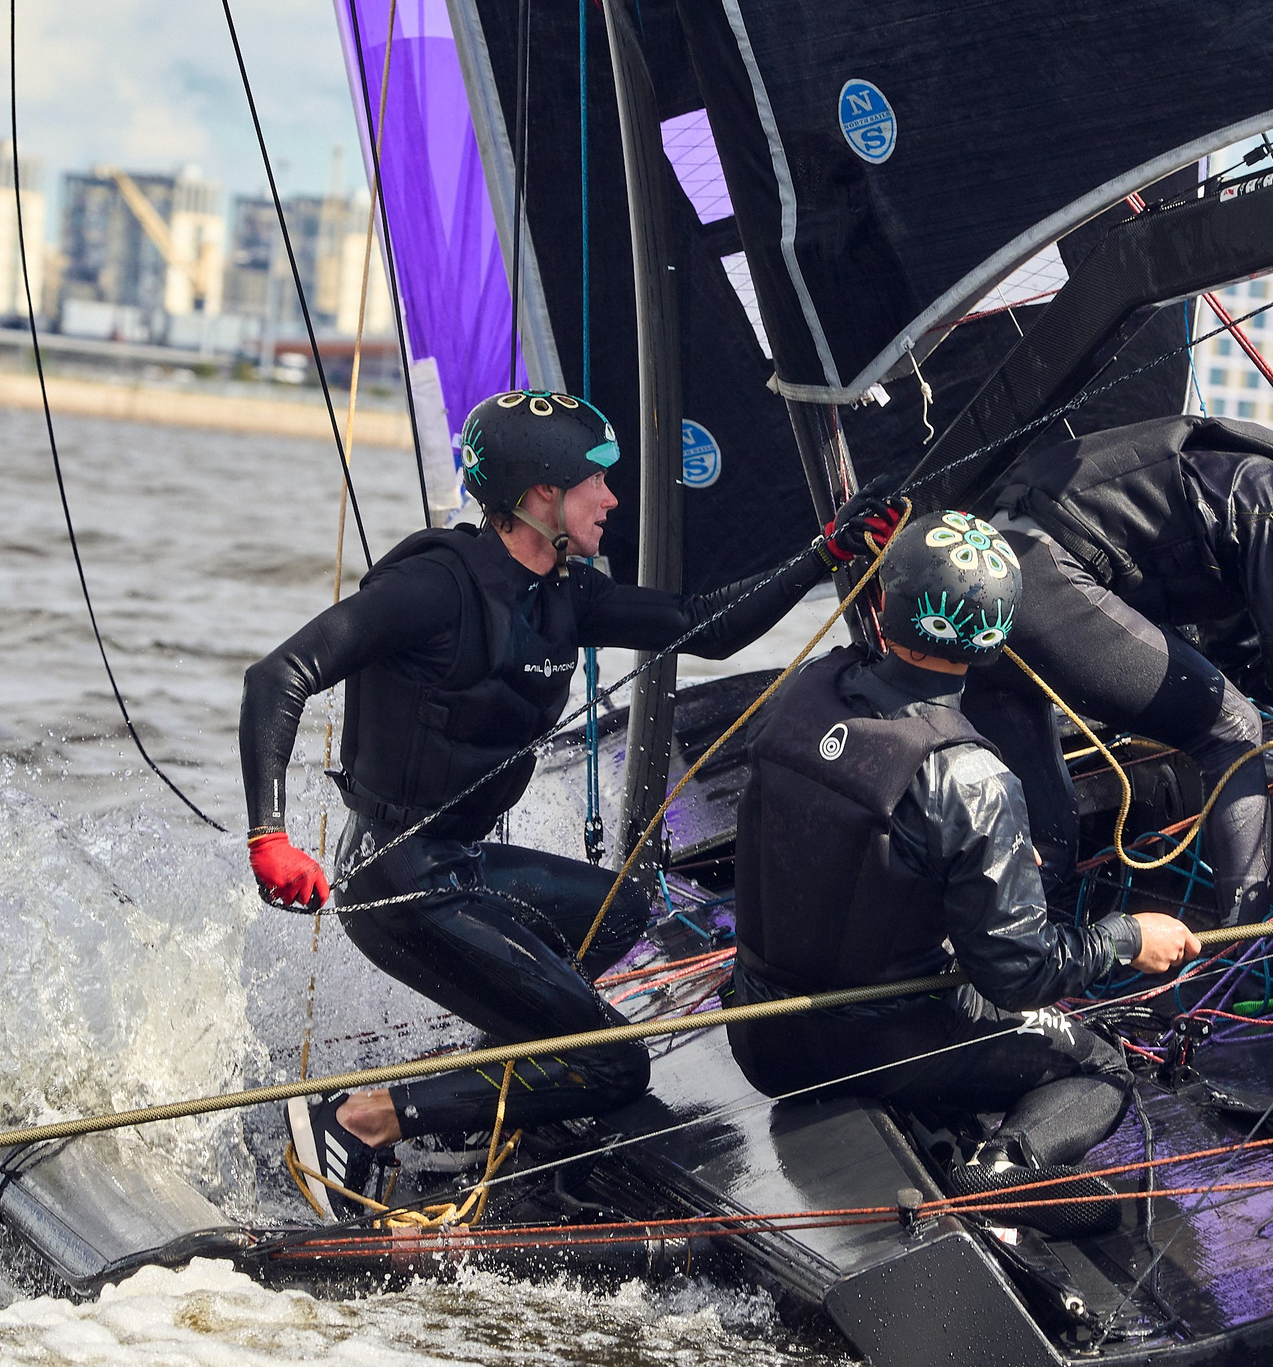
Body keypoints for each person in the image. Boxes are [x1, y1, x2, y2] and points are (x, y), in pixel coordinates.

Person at [240, 389, 879, 1212]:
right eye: (594, 482)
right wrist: (270, 837)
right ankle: (365, 1118)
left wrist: (828, 551)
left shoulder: (565, 594)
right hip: (395, 881)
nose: (611, 498)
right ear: (541, 492)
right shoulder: (435, 588)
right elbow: (278, 675)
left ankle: (480, 1097)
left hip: (458, 864)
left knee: (622, 909)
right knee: (613, 1062)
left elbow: (702, 624)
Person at [725, 510, 1200, 1234]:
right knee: (1101, 1066)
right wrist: (1127, 936)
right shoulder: (973, 778)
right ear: (995, 641)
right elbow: (1019, 973)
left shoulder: (806, 689)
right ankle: (1003, 1166)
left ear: (882, 604)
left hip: (759, 1035)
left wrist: (966, 861)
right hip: (870, 1043)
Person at [967, 383, 1273, 926]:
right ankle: (1240, 945)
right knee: (1233, 729)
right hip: (1041, 578)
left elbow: (1254, 664)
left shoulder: (1240, 485)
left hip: (987, 594)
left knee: (1050, 844)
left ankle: (987, 986)